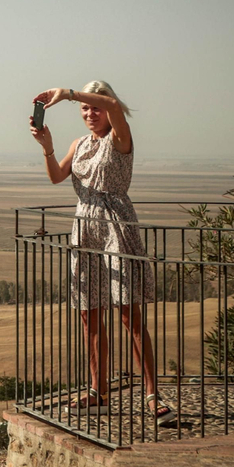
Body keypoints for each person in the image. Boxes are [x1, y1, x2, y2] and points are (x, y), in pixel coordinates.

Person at [30, 81, 174, 425]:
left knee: (129, 315)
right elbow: (56, 177)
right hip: (85, 228)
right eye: (85, 109)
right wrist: (47, 148)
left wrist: (68, 94)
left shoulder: (120, 137)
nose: (90, 113)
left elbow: (114, 105)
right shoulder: (79, 144)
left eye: (95, 107)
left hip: (115, 227)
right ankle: (98, 392)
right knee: (89, 314)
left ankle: (152, 395)